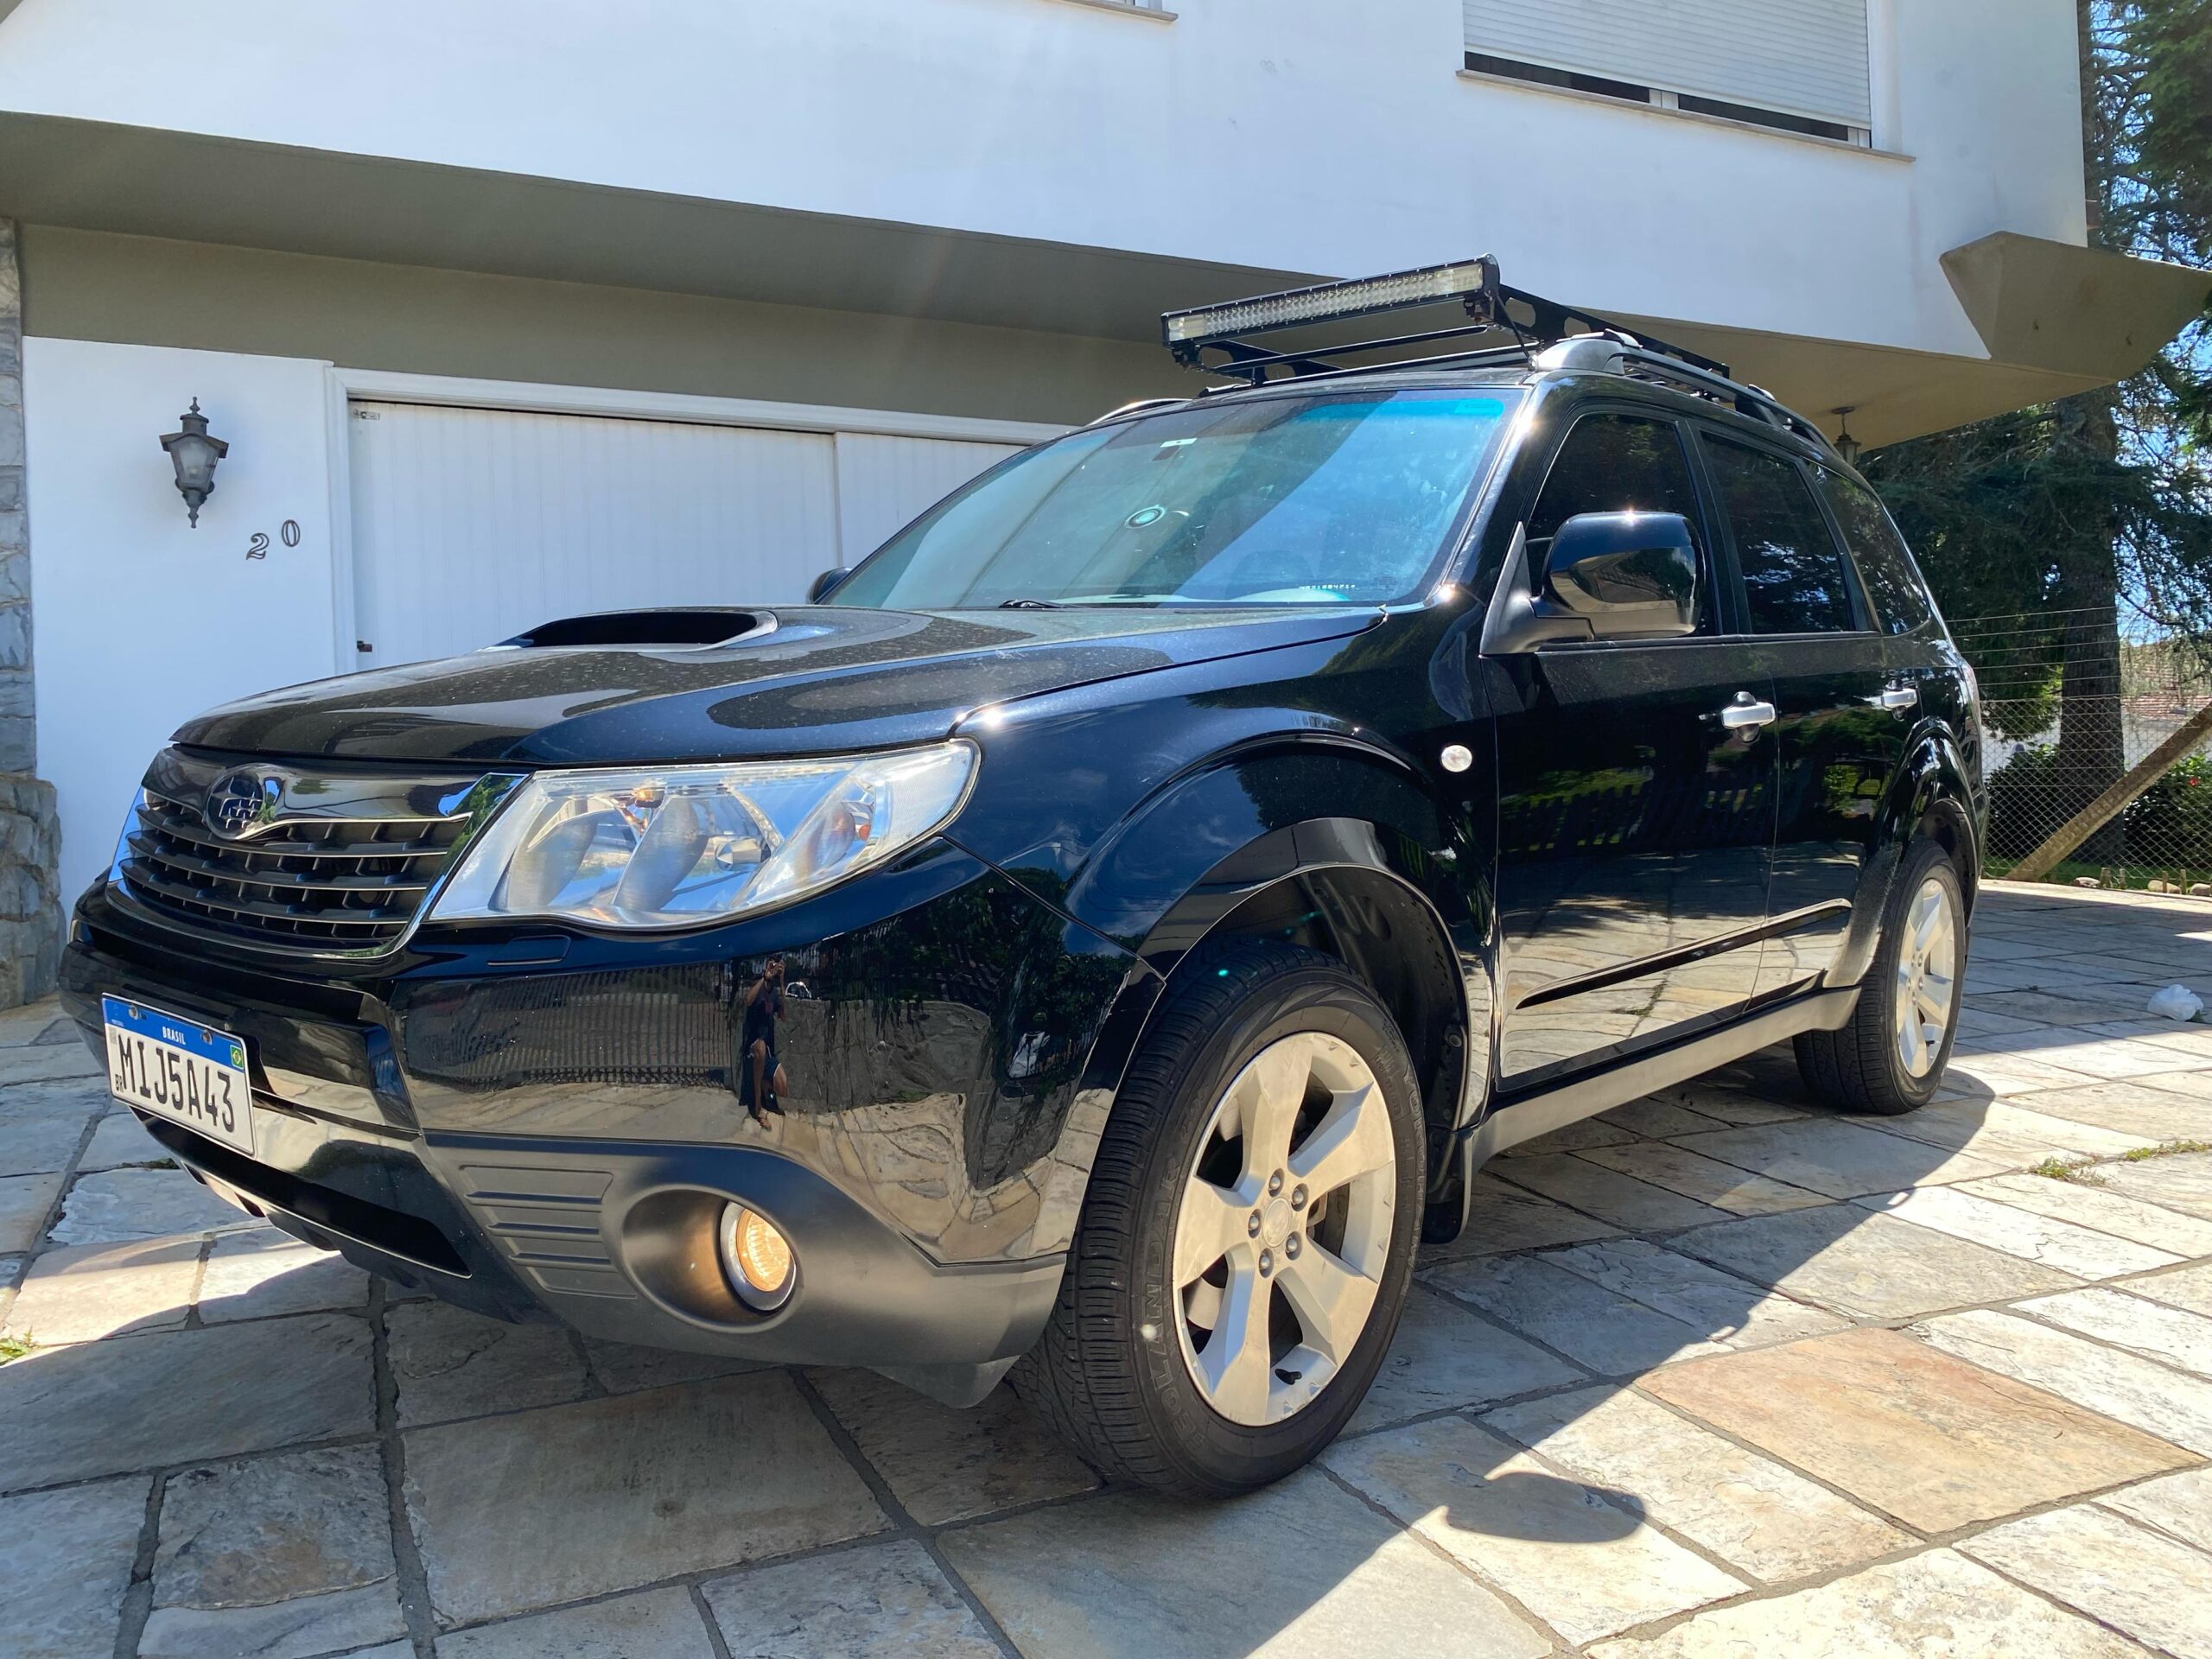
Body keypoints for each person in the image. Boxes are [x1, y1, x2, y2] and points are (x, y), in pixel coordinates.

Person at [740, 956, 790, 1125]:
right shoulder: (758, 986)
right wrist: (764, 978)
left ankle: (765, 1084)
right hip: (753, 1045)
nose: (774, 968)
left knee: (783, 1088)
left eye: (776, 965)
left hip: (767, 1050)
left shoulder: (774, 994)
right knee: (760, 1047)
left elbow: (783, 1016)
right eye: (771, 964)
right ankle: (757, 1106)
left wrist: (782, 982)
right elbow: (747, 1000)